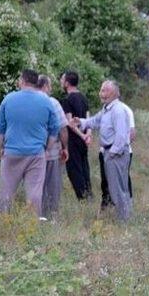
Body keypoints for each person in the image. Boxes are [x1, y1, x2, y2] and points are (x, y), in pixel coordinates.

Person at [0, 69, 60, 218]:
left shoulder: (8, 99)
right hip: (36, 153)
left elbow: (0, 126)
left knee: (6, 191)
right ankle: (31, 224)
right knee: (35, 193)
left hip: (12, 152)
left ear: (22, 81)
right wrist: (47, 149)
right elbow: (54, 128)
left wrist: (1, 147)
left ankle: (1, 222)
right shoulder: (46, 101)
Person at [73, 80, 132, 221]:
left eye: (105, 90)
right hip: (109, 152)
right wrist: (81, 122)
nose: (101, 94)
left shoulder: (117, 110)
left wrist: (113, 153)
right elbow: (94, 121)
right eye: (101, 90)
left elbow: (122, 135)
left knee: (118, 189)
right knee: (115, 188)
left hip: (115, 154)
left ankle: (124, 221)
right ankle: (124, 218)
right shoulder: (107, 109)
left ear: (114, 93)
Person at [37, 75, 69, 219]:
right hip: (51, 152)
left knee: (35, 186)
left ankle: (35, 216)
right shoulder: (52, 102)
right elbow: (62, 128)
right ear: (45, 86)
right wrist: (65, 147)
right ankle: (50, 217)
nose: (51, 89)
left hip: (30, 153)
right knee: (52, 186)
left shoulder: (27, 101)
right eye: (50, 86)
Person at [59, 70, 93, 200]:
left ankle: (83, 198)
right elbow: (88, 120)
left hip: (73, 140)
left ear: (67, 83)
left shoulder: (67, 100)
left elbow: (69, 122)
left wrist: (81, 135)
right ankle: (88, 194)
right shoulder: (83, 97)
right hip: (83, 139)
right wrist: (87, 135)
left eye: (62, 80)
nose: (61, 82)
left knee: (74, 169)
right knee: (84, 166)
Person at [99, 101, 135, 209]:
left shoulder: (125, 110)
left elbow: (132, 134)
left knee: (122, 181)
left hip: (120, 153)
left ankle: (126, 208)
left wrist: (117, 148)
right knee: (105, 181)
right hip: (104, 152)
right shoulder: (104, 110)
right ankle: (107, 206)